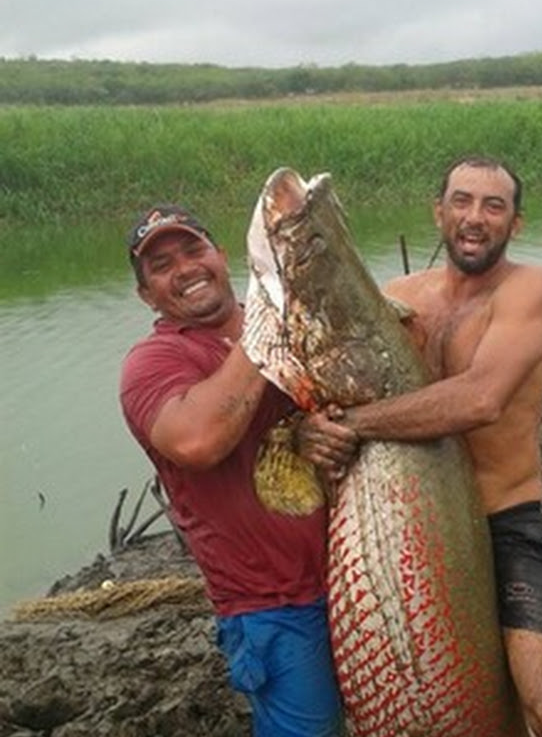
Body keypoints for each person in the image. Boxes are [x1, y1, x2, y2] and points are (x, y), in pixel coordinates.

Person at [329, 156, 542, 737]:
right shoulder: (399, 296)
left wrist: (352, 423)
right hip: (415, 523)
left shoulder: (532, 288)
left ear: (515, 224)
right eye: (462, 201)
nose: (475, 217)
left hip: (507, 518)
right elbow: (340, 380)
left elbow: (481, 399)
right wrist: (319, 426)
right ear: (439, 212)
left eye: (493, 205)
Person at [119, 204, 357, 737]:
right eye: (161, 265)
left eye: (193, 250)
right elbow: (198, 440)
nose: (184, 268)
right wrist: (269, 321)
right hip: (273, 606)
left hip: (355, 581)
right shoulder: (152, 364)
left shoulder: (286, 322)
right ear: (145, 295)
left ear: (221, 257)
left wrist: (312, 427)